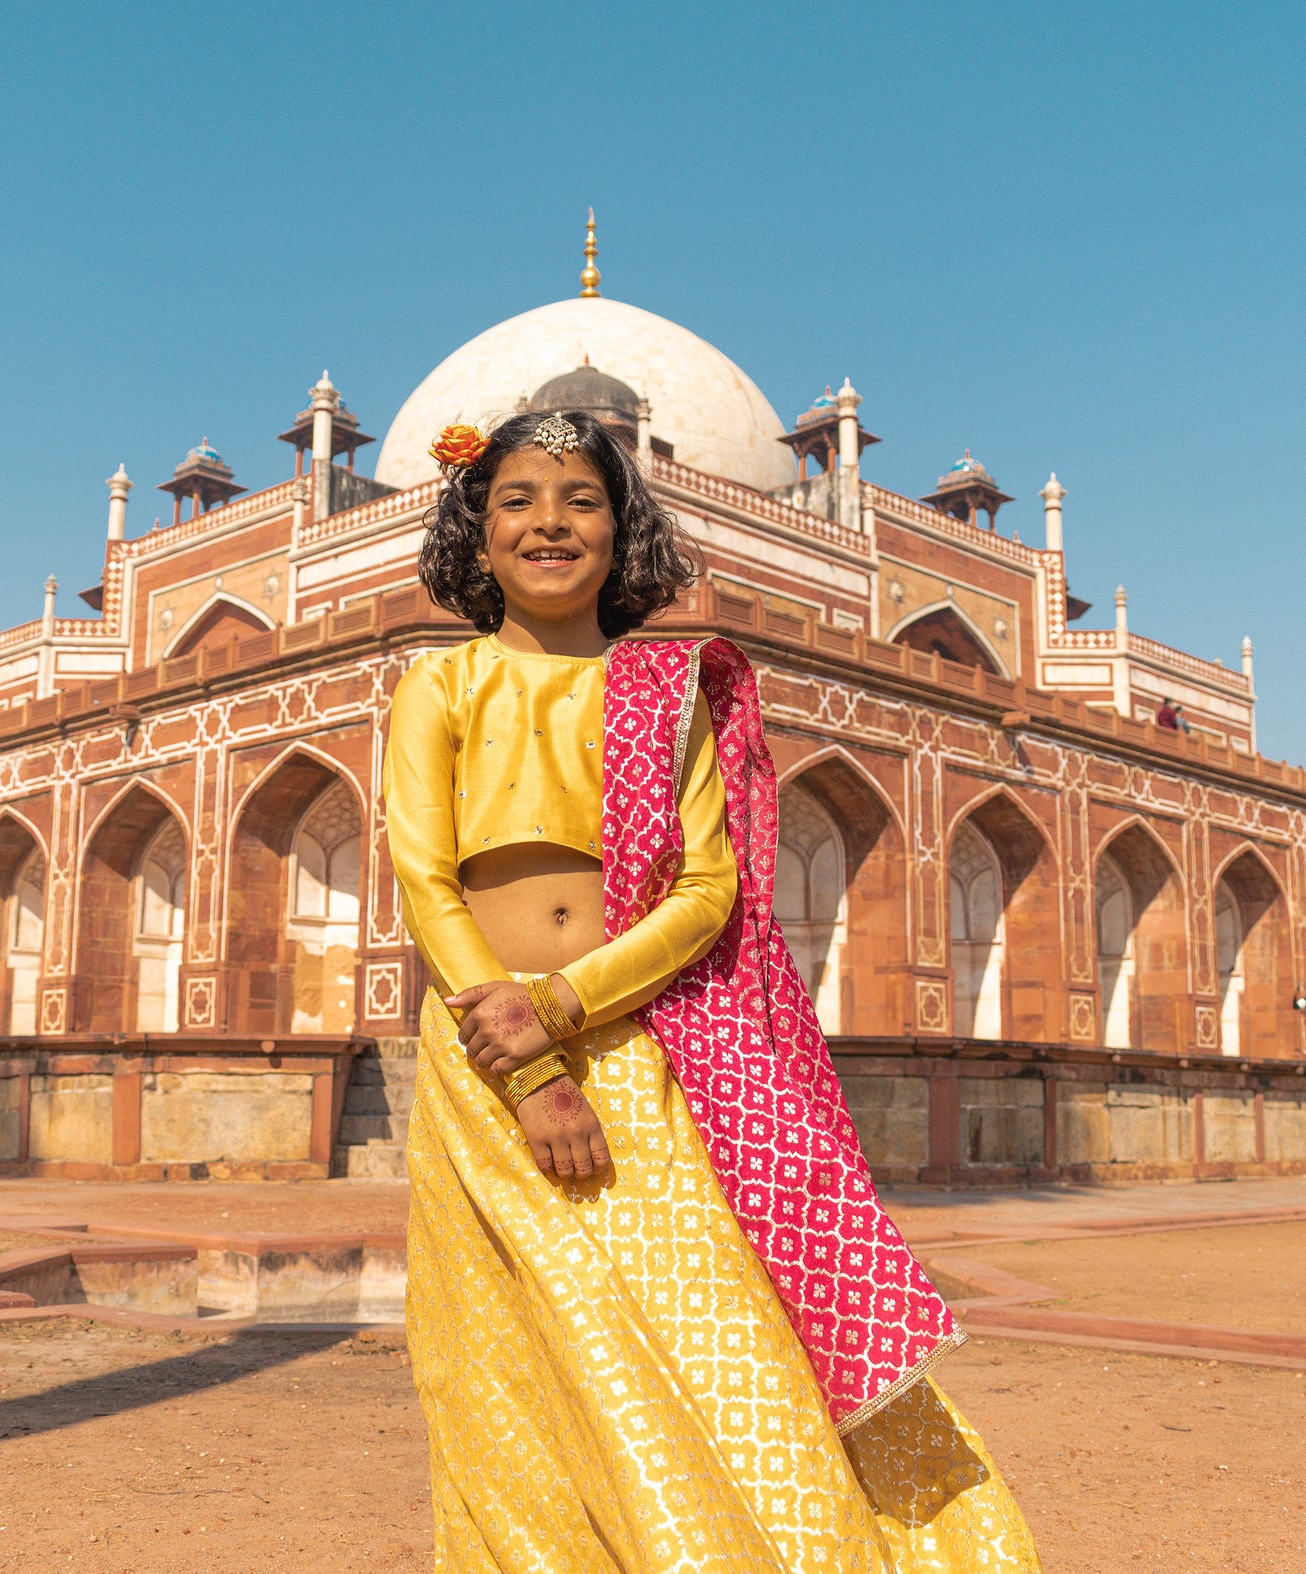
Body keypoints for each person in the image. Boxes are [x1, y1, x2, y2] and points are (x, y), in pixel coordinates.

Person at [384, 407, 1040, 1571]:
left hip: (633, 1040)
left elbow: (704, 893)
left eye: (581, 499)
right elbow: (426, 880)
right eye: (516, 501)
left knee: (708, 1320)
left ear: (622, 527)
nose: (548, 523)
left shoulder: (666, 688)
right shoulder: (441, 683)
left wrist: (567, 1006)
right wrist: (526, 1055)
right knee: (516, 1349)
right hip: (485, 1053)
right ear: (473, 533)